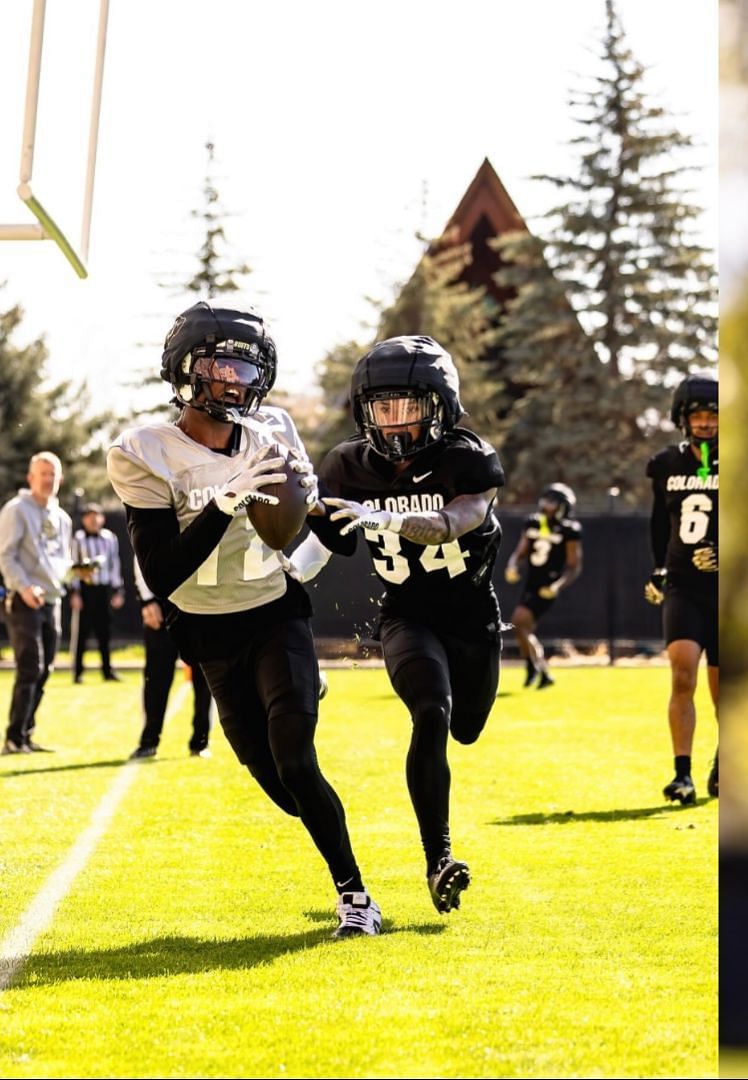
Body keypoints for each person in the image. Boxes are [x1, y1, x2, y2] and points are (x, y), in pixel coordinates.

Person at [107, 301, 381, 938]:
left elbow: (308, 540)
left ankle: (356, 899)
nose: (232, 378)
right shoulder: (144, 451)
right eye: (219, 363)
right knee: (276, 782)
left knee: (295, 758)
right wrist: (223, 504)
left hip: (273, 612)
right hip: (205, 628)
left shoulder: (274, 433)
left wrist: (335, 522)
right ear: (185, 370)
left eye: (244, 366)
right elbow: (167, 572)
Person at [306, 335, 505, 916]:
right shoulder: (346, 465)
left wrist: (385, 518)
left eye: (408, 407)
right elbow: (321, 547)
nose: (394, 422)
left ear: (439, 406)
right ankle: (438, 858)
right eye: (382, 407)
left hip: (471, 618)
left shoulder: (468, 459)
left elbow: (452, 522)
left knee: (467, 727)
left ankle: (438, 850)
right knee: (432, 712)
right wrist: (281, 570)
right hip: (406, 615)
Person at [645, 372, 719, 805]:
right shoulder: (667, 464)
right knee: (682, 674)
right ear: (682, 419)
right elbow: (659, 522)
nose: (707, 423)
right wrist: (658, 570)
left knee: (722, 692)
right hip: (684, 586)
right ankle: (682, 775)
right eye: (699, 416)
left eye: (713, 415)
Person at [1, 452, 91, 754]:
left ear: (60, 479)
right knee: (31, 667)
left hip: (53, 600)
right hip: (23, 600)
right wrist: (24, 587)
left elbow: (60, 562)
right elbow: (6, 556)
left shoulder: (62, 517)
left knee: (46, 669)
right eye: (42, 473)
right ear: (30, 477)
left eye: (53, 474)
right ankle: (13, 737)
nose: (48, 479)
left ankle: (25, 734)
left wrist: (78, 573)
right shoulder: (16, 510)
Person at [128, 557, 213, 760]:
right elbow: (142, 553)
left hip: (200, 601)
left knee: (205, 676)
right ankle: (148, 740)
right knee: (156, 677)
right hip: (162, 603)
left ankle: (200, 741)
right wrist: (147, 600)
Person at [503, 483, 583, 690]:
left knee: (518, 622)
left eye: (553, 502)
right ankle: (534, 667)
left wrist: (556, 586)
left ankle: (541, 669)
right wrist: (512, 566)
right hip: (531, 583)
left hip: (547, 586)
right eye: (547, 501)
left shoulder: (569, 530)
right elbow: (520, 552)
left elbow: (573, 566)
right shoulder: (533, 523)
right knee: (522, 630)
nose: (548, 506)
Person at [70, 503, 125, 683]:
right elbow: (73, 566)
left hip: (103, 589)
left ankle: (107, 671)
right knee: (82, 634)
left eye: (97, 516)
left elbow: (114, 564)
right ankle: (77, 672)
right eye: (89, 516)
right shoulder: (78, 539)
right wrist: (75, 592)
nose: (93, 520)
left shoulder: (110, 538)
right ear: (84, 519)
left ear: (102, 519)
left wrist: (118, 590)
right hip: (85, 590)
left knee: (105, 633)